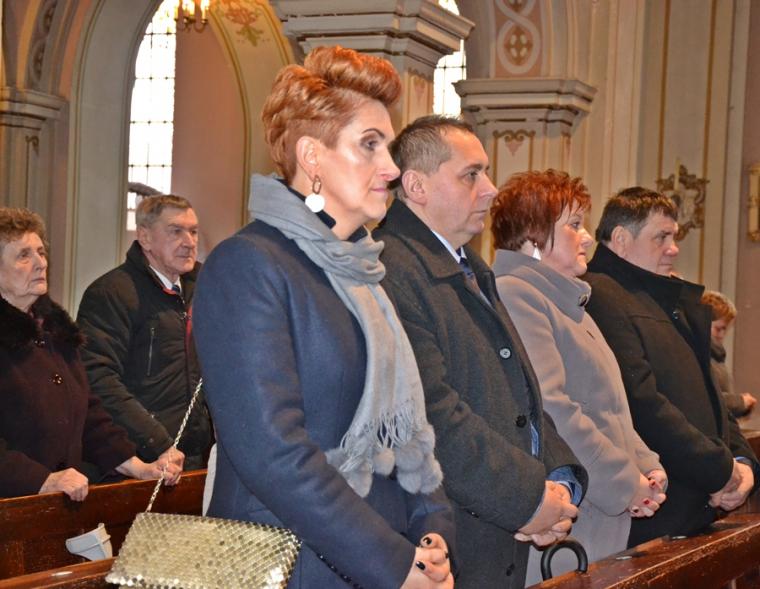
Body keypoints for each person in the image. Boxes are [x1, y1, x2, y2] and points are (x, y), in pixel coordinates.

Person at [192, 46, 454, 589]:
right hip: (289, 563)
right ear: (312, 155)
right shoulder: (249, 265)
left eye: (388, 146)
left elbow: (406, 425)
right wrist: (390, 562)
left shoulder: (364, 273)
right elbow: (272, 453)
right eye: (370, 144)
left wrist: (432, 531)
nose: (392, 168)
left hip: (382, 554)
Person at [374, 116, 587, 589]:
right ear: (417, 186)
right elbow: (432, 414)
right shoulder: (393, 269)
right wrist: (528, 499)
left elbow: (520, 394)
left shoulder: (469, 265)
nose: (490, 190)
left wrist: (557, 480)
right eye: (471, 175)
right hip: (448, 535)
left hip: (496, 524)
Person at [489, 170, 666, 582]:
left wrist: (646, 465)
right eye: (573, 225)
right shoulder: (518, 294)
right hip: (574, 515)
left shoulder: (567, 302)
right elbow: (553, 409)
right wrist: (626, 483)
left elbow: (610, 409)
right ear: (533, 237)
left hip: (600, 510)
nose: (586, 237)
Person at [583, 187, 759, 546]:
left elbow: (710, 394)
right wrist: (719, 471)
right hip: (656, 513)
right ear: (621, 239)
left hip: (697, 505)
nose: (674, 248)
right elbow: (642, 403)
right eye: (661, 237)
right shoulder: (601, 295)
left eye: (673, 237)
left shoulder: (663, 296)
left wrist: (742, 461)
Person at [0, 207, 181, 500]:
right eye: (24, 255)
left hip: (57, 507)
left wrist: (138, 467)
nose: (40, 263)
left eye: (41, 252)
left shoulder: (55, 333)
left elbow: (89, 417)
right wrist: (42, 480)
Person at [77, 195, 212, 470]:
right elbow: (98, 378)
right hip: (139, 459)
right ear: (145, 237)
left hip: (197, 456)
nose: (189, 242)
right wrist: (158, 442)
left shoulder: (206, 288)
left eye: (194, 231)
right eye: (176, 231)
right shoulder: (111, 293)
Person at [701, 290, 757, 419]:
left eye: (725, 329)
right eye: (718, 329)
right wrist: (740, 402)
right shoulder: (700, 356)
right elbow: (707, 398)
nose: (722, 335)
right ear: (703, 323)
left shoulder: (716, 356)